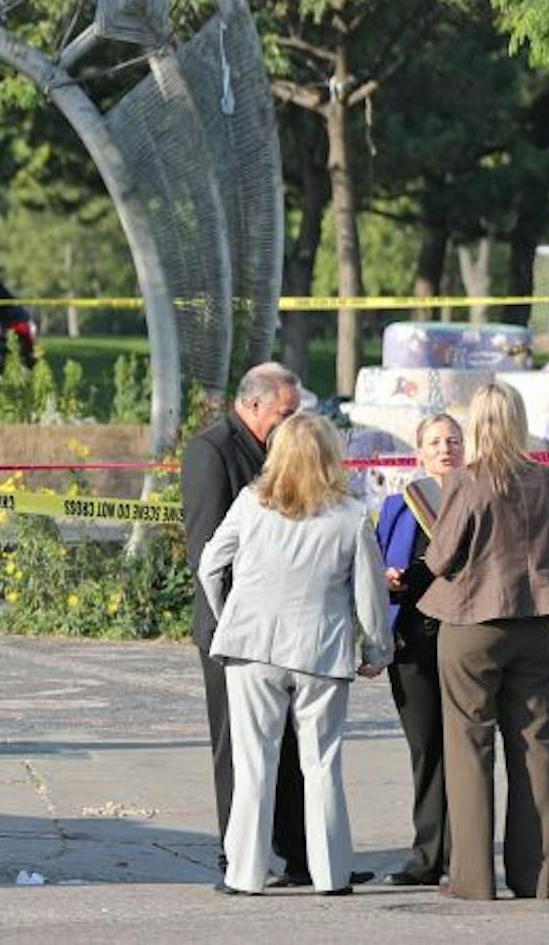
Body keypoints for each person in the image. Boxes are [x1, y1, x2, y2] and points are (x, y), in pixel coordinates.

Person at [199, 412, 391, 897]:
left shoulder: (249, 504)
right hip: (320, 650)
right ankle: (331, 875)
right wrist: (376, 647)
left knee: (253, 763)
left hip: (251, 646)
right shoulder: (350, 516)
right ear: (331, 458)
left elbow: (209, 565)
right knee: (323, 764)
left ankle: (244, 874)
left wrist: (229, 614)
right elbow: (371, 593)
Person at [418, 382, 549, 901]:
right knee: (534, 745)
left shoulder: (467, 482)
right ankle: (537, 876)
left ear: (478, 423)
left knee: (469, 747)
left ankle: (473, 879)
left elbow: (440, 558)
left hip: (472, 624)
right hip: (535, 625)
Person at [183, 362, 331, 885]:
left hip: (288, 628)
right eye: (285, 413)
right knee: (238, 749)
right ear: (252, 406)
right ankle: (237, 854)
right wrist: (235, 619)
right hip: (235, 628)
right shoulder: (212, 452)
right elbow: (207, 552)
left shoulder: (285, 447)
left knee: (292, 745)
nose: (293, 424)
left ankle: (300, 855)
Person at [372, 412, 463, 887]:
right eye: (435, 442)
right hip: (411, 638)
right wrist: (384, 577)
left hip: (465, 637)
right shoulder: (398, 506)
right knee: (426, 748)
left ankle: (464, 851)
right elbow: (373, 560)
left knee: (465, 748)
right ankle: (428, 855)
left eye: (452, 440)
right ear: (420, 452)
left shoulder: (477, 499)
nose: (445, 448)